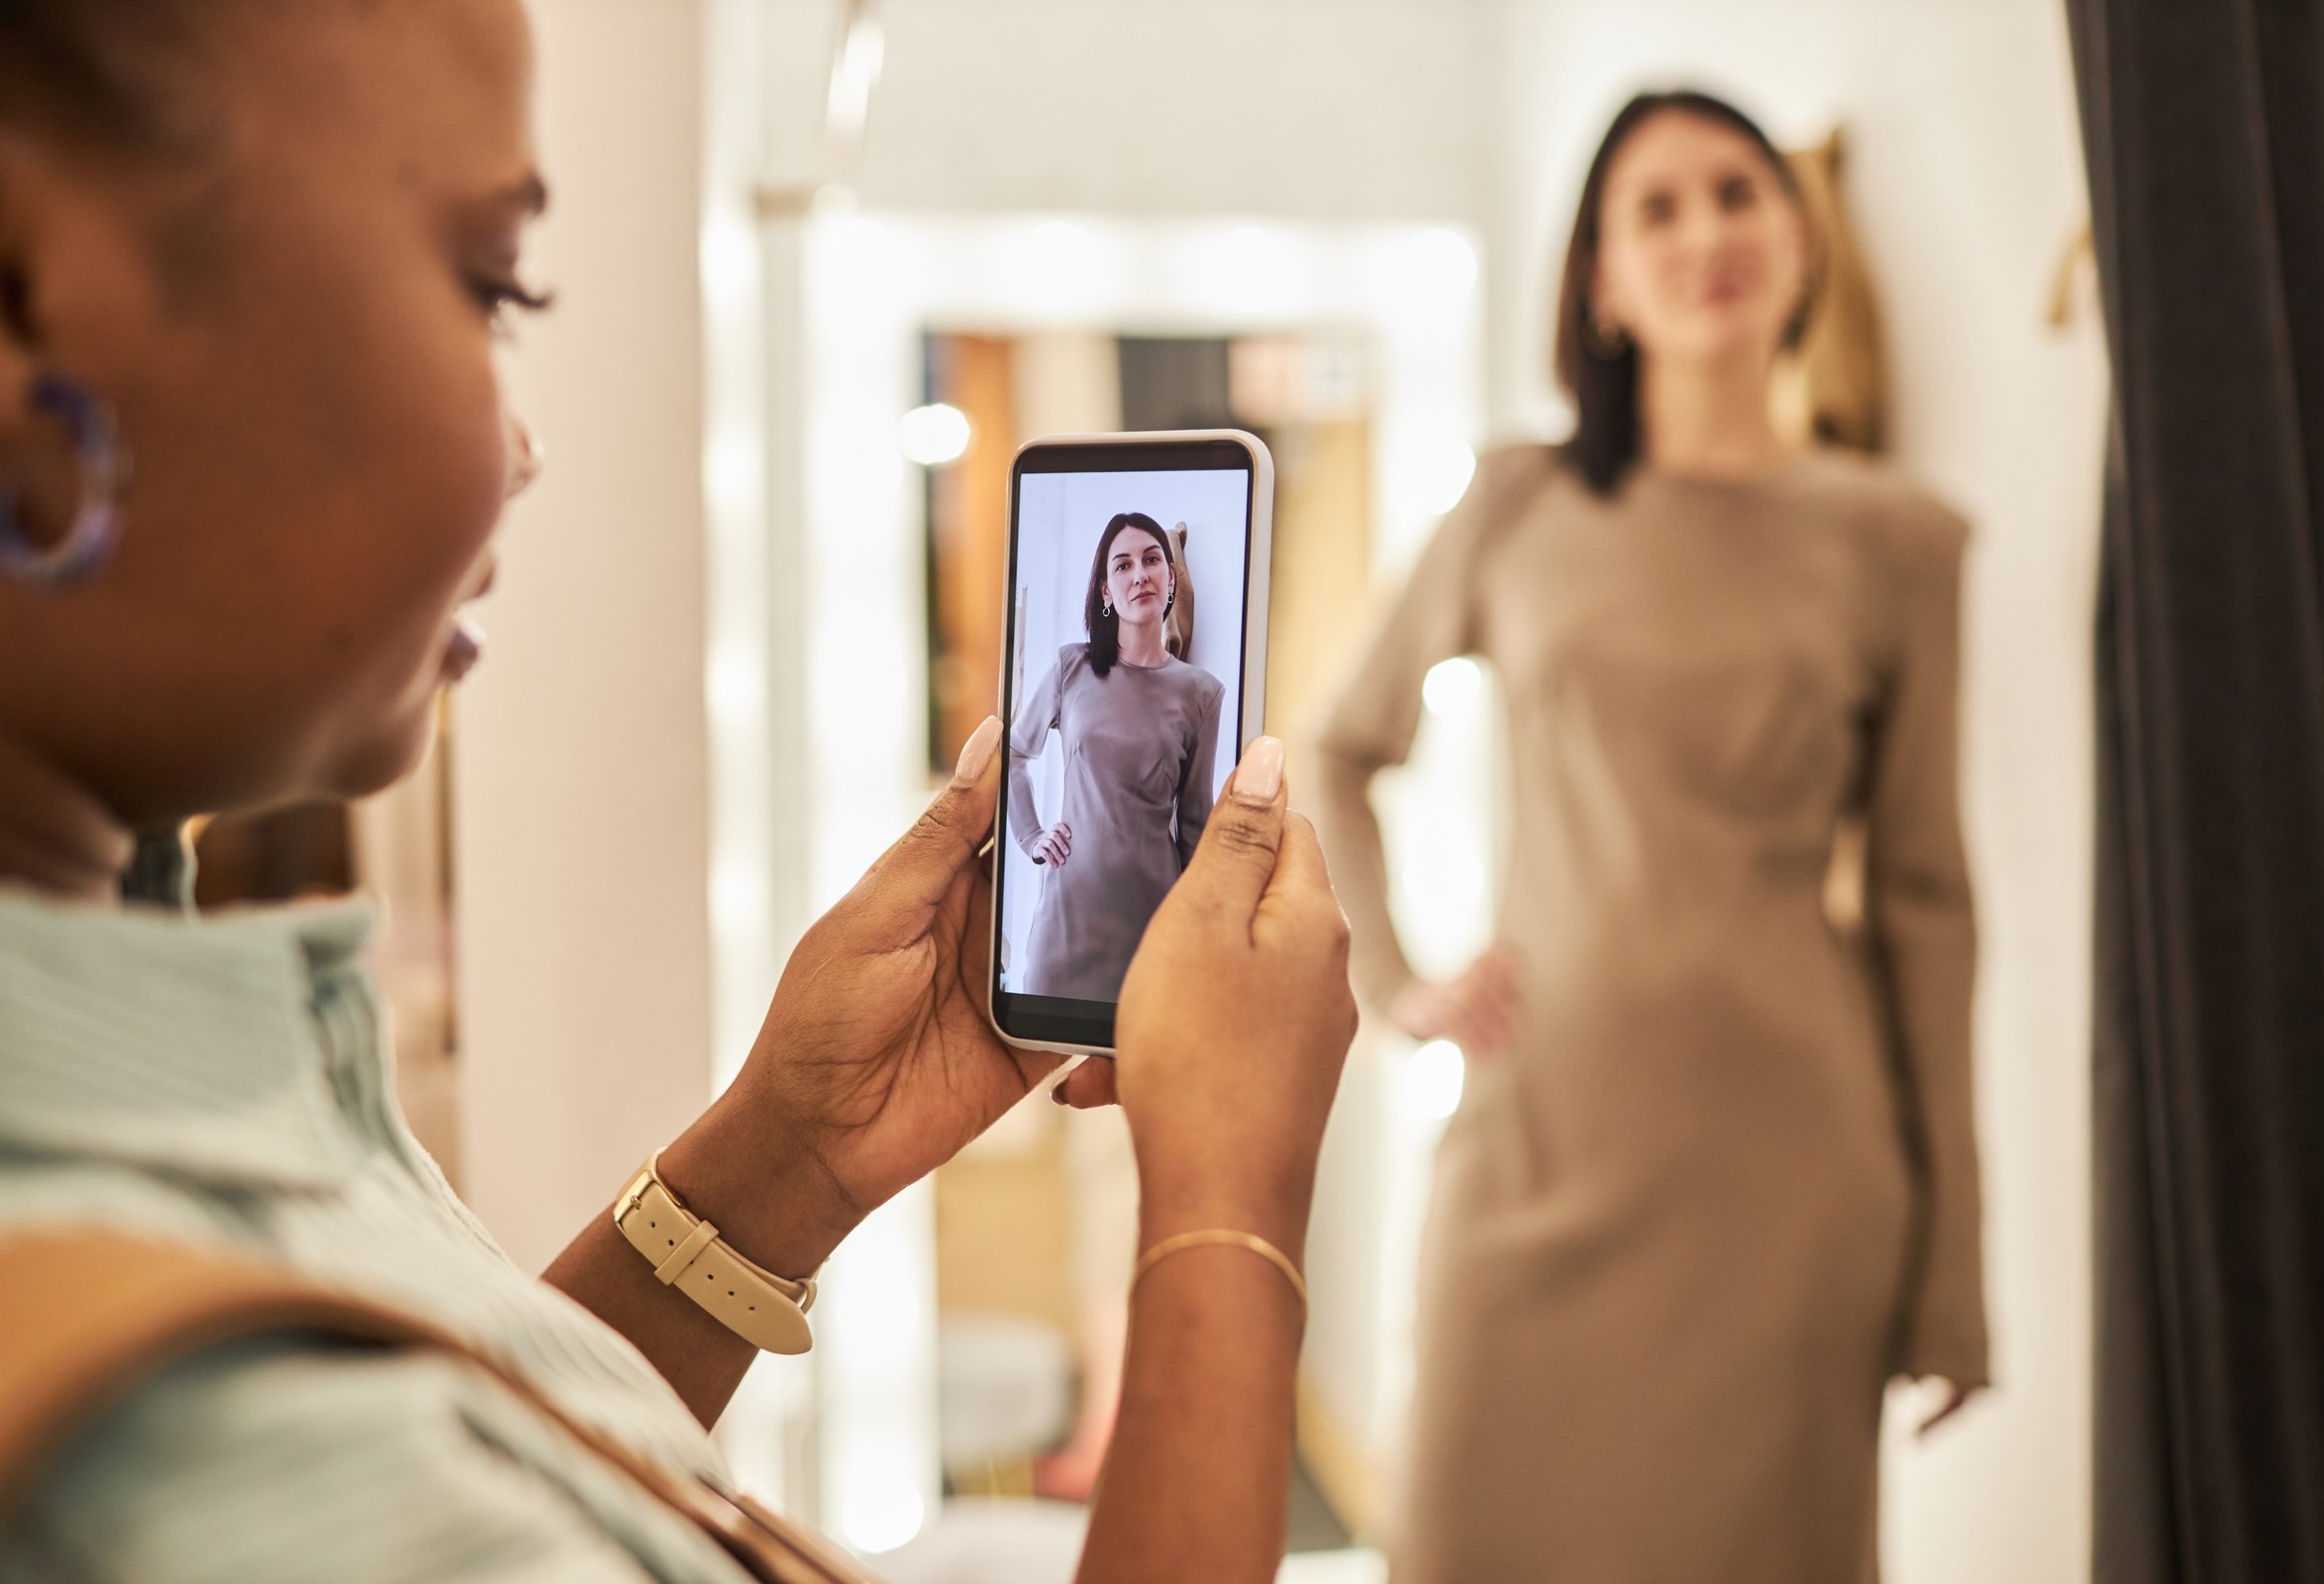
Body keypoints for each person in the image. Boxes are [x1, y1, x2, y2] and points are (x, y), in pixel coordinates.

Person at [0, 4, 1357, 1582]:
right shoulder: (157, 1452)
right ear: (29, 317)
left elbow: (486, 1463)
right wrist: (1229, 1214)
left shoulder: (197, 1082)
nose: (523, 447)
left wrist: (785, 1160)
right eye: (490, 283)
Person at [1315, 89, 1989, 1582]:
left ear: (1802, 240)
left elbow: (1929, 906)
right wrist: (1398, 987)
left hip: (1795, 1180)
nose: (1706, 234)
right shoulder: (1518, 502)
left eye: (1738, 191)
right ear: (1602, 283)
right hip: (1537, 1151)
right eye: (1657, 208)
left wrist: (1955, 1268)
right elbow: (1340, 751)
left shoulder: (1901, 545)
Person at [1007, 512, 1226, 1000]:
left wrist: (1204, 935)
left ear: (1171, 576)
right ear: (1106, 592)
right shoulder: (1071, 667)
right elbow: (1014, 754)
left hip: (1154, 926)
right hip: (1066, 925)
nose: (1140, 574)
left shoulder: (1202, 693)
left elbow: (1195, 824)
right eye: (1123, 565)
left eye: (1152, 560)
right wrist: (1032, 837)